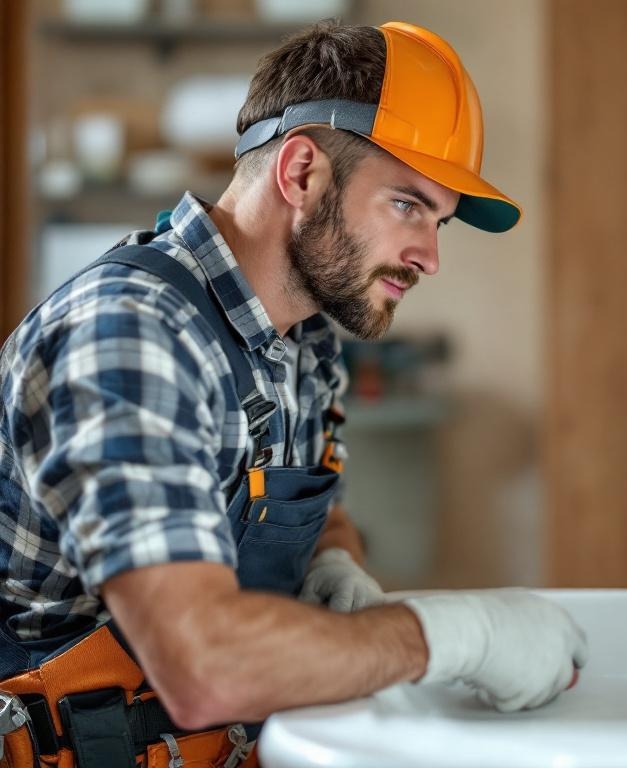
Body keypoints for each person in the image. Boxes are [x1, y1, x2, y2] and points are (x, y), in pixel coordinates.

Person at [0, 20, 587, 767]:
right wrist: (450, 636)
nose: (430, 257)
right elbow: (201, 667)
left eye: (439, 222)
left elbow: (310, 507)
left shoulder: (304, 340)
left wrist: (337, 569)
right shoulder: (132, 335)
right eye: (408, 205)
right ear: (303, 172)